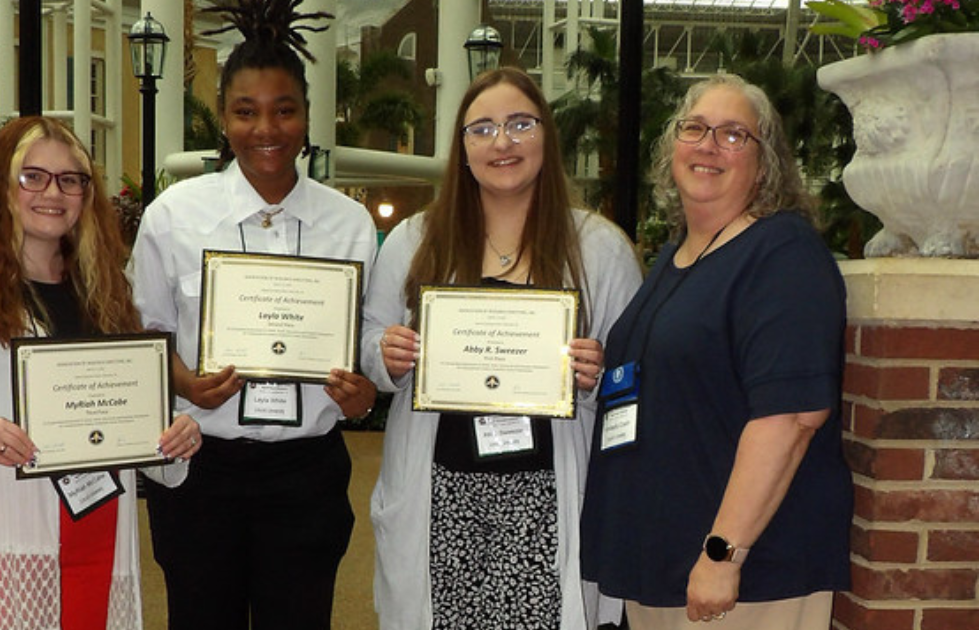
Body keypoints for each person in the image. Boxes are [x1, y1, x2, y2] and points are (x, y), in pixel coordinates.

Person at [0, 116, 201, 630]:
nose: (53, 192)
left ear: (85, 194)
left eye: (70, 179)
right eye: (33, 176)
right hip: (1, 524)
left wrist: (175, 432)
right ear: (1, 187)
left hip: (96, 524)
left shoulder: (111, 295)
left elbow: (135, 409)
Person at [361, 67, 641, 630]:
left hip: (547, 492)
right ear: (461, 147)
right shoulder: (417, 240)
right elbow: (370, 338)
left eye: (520, 124)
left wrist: (601, 371)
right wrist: (384, 353)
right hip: (441, 487)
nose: (503, 142)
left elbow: (633, 377)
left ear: (546, 136)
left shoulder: (599, 247)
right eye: (482, 128)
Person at [128, 1, 378, 628]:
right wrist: (184, 381)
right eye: (246, 111)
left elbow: (370, 344)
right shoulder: (174, 216)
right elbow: (142, 333)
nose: (266, 128)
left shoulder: (348, 225)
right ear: (224, 118)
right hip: (199, 470)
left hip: (305, 475)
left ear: (305, 116)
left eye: (284, 109)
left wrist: (363, 395)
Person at [580, 74, 852, 629]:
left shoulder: (782, 254)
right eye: (695, 128)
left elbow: (792, 417)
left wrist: (723, 554)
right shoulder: (676, 257)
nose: (708, 144)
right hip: (663, 565)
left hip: (743, 577)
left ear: (766, 161)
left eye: (733, 135)